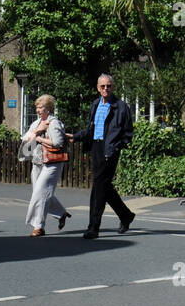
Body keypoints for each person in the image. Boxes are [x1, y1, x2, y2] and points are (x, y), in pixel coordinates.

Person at [68, 74, 135, 239]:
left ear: (113, 87)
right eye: (103, 86)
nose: (106, 89)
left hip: (110, 150)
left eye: (109, 86)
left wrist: (118, 146)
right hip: (96, 147)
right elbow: (90, 130)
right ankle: (125, 215)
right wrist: (76, 136)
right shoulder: (95, 104)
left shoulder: (121, 107)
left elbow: (128, 132)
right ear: (98, 88)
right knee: (104, 186)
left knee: (98, 188)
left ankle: (93, 228)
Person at [22, 95, 71, 236]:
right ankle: (61, 213)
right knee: (39, 192)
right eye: (37, 107)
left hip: (52, 163)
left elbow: (58, 143)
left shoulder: (53, 123)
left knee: (40, 193)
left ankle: (39, 227)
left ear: (49, 108)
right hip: (37, 162)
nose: (38, 110)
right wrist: (37, 131)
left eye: (40, 107)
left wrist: (38, 138)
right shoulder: (36, 123)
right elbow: (25, 140)